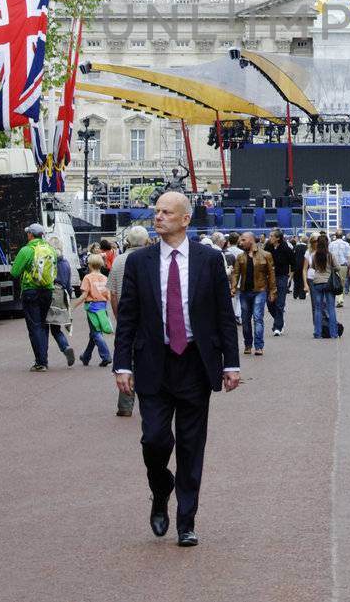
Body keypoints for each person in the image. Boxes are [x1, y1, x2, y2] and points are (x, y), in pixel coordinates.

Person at [112, 191, 240, 548]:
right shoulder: (139, 262)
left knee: (190, 446)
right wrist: (122, 364)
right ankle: (160, 488)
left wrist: (231, 363)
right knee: (154, 439)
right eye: (156, 212)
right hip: (154, 363)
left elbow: (223, 317)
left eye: (167, 212)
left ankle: (186, 520)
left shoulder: (209, 260)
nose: (159, 217)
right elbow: (128, 319)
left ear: (186, 219)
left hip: (196, 364)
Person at [11, 223, 74, 371]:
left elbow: (14, 272)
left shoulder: (26, 250)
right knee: (45, 326)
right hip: (47, 291)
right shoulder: (51, 250)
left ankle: (41, 362)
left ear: (30, 235)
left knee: (35, 327)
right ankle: (43, 360)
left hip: (31, 291)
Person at [107, 225, 152, 417]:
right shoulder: (153, 259)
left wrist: (120, 318)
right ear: (147, 241)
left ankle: (125, 405)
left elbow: (114, 294)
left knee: (127, 358)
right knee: (150, 360)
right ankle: (150, 403)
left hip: (127, 315)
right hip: (150, 317)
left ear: (127, 242)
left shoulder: (118, 261)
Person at [229, 232, 274, 357]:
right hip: (244, 291)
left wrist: (272, 291)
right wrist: (233, 288)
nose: (240, 242)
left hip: (260, 290)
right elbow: (236, 274)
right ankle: (248, 344)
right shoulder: (240, 257)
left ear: (251, 240)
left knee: (258, 318)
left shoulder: (266, 255)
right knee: (245, 319)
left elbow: (271, 275)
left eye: (243, 240)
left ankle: (259, 346)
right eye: (240, 240)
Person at [78, 256, 114, 367]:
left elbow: (84, 294)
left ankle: (106, 356)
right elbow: (108, 295)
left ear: (89, 265)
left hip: (92, 307)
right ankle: (86, 356)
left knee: (96, 333)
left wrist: (74, 304)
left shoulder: (87, 277)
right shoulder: (104, 278)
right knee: (94, 332)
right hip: (102, 307)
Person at [305, 234, 339, 339]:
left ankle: (317, 333)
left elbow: (313, 267)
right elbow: (337, 267)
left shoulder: (315, 255)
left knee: (318, 309)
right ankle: (333, 333)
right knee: (331, 308)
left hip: (317, 282)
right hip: (328, 283)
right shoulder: (330, 255)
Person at [263, 228, 293, 336]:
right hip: (269, 277)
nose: (269, 238)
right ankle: (279, 319)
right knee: (269, 302)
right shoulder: (268, 247)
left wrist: (290, 275)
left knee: (280, 302)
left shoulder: (286, 248)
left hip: (282, 277)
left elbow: (293, 262)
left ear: (278, 238)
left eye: (271, 236)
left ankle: (277, 327)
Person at [328, 231, 350, 309]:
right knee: (342, 282)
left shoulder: (331, 244)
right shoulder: (346, 244)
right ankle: (340, 300)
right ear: (342, 236)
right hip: (343, 265)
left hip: (333, 266)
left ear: (335, 236)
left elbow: (329, 255)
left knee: (333, 282)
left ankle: (334, 299)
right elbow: (349, 256)